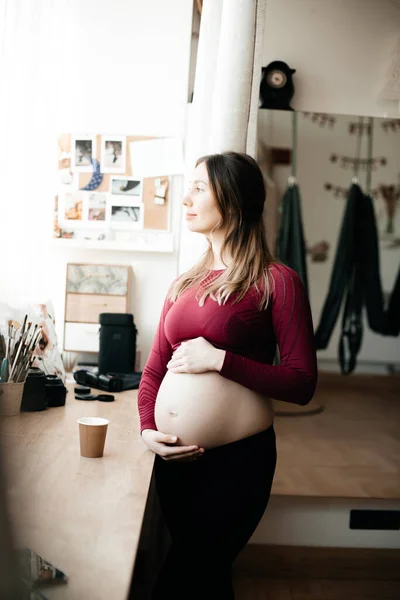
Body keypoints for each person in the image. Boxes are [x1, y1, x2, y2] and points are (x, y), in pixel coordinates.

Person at [137, 151, 318, 599]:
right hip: (176, 463)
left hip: (237, 464)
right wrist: (146, 428)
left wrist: (220, 360)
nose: (187, 199)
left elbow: (301, 382)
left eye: (199, 187)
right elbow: (155, 367)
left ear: (233, 199)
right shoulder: (183, 284)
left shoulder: (277, 281)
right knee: (206, 578)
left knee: (187, 576)